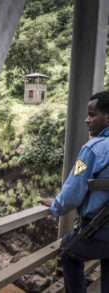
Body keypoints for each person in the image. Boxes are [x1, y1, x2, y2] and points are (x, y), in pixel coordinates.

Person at [48, 91, 109, 293]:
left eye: (92, 114)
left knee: (68, 251)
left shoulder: (92, 150)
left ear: (107, 117)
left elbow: (73, 193)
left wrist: (55, 206)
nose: (87, 120)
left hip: (101, 231)